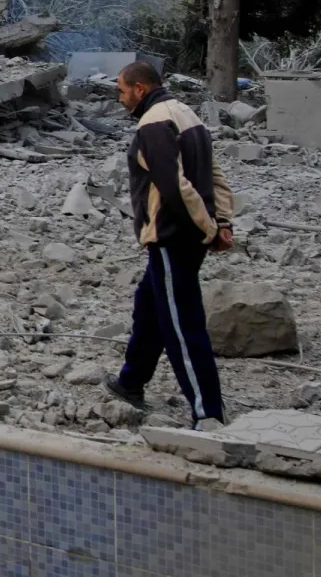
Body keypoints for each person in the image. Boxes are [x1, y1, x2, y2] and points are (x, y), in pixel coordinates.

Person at [104, 61, 235, 429]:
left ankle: (207, 413)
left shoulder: (152, 125)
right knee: (149, 304)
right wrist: (221, 221)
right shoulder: (185, 113)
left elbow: (175, 187)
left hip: (173, 236)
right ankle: (131, 381)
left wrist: (210, 228)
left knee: (182, 324)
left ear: (140, 89)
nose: (119, 97)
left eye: (122, 89)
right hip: (189, 233)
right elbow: (215, 173)